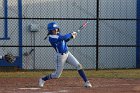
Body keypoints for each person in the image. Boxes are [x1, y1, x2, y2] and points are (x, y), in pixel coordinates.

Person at [39, 22, 92, 88]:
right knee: (56, 75)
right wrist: (71, 34)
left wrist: (71, 37)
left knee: (79, 66)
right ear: (50, 30)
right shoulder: (51, 38)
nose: (55, 30)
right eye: (53, 29)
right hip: (60, 57)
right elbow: (63, 38)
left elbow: (64, 40)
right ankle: (43, 79)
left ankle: (86, 82)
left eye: (56, 28)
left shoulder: (58, 34)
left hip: (67, 54)